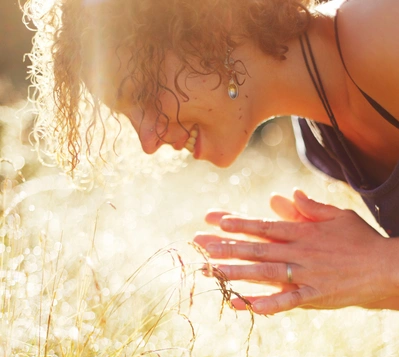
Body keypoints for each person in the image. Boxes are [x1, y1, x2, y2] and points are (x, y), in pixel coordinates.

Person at [25, 0, 399, 314]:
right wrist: (354, 279)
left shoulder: (380, 30)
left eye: (142, 93)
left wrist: (378, 264)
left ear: (207, 28)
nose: (147, 141)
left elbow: (382, 265)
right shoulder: (321, 146)